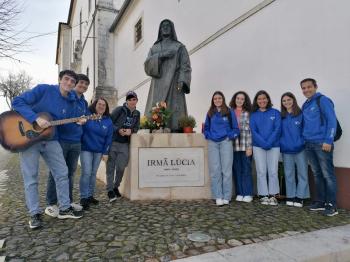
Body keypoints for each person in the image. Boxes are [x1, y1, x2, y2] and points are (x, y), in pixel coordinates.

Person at [12, 70, 83, 229]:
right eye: (66, 79)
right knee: (31, 177)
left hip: (52, 140)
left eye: (73, 81)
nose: (69, 83)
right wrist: (35, 118)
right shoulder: (43, 89)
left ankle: (64, 208)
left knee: (62, 172)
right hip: (29, 139)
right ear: (60, 79)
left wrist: (78, 121)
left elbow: (68, 121)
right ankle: (34, 213)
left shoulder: (70, 102)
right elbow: (17, 101)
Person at [45, 73, 89, 217]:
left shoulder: (84, 102)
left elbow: (84, 118)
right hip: (62, 140)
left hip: (76, 141)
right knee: (56, 173)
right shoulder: (67, 97)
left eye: (86, 84)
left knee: (70, 173)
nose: (83, 86)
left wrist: (84, 121)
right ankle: (51, 203)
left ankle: (67, 201)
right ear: (75, 84)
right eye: (81, 83)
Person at [144, 19, 191, 132]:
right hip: (157, 85)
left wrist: (182, 80)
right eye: (163, 26)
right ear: (160, 30)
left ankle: (175, 128)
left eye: (168, 26)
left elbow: (185, 65)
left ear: (172, 29)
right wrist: (162, 55)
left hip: (174, 83)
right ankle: (155, 127)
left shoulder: (179, 47)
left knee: (174, 110)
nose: (165, 27)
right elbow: (147, 65)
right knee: (156, 110)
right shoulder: (154, 48)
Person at [300, 78, 338, 216]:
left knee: (328, 175)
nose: (306, 90)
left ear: (315, 87)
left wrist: (329, 139)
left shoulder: (322, 100)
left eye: (309, 87)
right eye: (303, 88)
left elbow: (331, 120)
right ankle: (320, 202)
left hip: (322, 143)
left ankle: (332, 205)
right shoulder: (306, 104)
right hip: (309, 144)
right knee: (317, 174)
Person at [204, 91, 240, 206]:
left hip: (226, 142)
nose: (217, 100)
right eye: (215, 99)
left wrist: (230, 136)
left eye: (219, 98)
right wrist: (209, 136)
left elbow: (236, 129)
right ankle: (217, 196)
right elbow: (206, 129)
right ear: (213, 101)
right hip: (213, 143)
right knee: (215, 171)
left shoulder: (229, 112)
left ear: (223, 99)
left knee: (226, 170)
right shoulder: (210, 113)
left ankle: (226, 196)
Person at [106, 91, 140, 202]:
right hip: (114, 141)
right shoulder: (119, 109)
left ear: (136, 100)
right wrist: (118, 130)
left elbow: (136, 127)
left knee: (121, 167)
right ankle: (110, 190)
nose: (132, 101)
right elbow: (109, 122)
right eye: (130, 99)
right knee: (110, 167)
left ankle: (116, 186)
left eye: (134, 99)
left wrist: (131, 131)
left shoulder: (137, 113)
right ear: (126, 101)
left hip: (125, 144)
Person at [80, 97, 113, 210]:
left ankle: (90, 196)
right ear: (95, 105)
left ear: (106, 108)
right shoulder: (88, 115)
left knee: (93, 173)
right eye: (99, 104)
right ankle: (83, 198)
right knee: (87, 173)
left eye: (104, 105)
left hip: (99, 151)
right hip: (86, 149)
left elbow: (108, 138)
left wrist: (106, 152)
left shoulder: (108, 121)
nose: (101, 106)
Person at [250, 90, 281, 206]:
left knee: (273, 171)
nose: (262, 101)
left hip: (274, 146)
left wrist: (269, 142)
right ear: (256, 101)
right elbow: (254, 131)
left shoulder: (275, 113)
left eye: (264, 98)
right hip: (258, 146)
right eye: (259, 99)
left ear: (268, 99)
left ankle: (273, 195)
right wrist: (263, 143)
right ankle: (263, 195)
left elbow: (277, 129)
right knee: (261, 171)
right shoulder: (253, 115)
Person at [280, 92, 309, 207]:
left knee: (302, 173)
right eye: (284, 101)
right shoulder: (281, 116)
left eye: (289, 99)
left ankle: (300, 197)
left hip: (300, 149)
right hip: (286, 150)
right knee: (289, 173)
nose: (287, 102)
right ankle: (291, 195)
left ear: (293, 100)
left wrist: (302, 142)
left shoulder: (301, 114)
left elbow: (305, 131)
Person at [229, 91, 254, 203]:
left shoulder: (249, 113)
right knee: (236, 170)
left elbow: (251, 131)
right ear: (235, 99)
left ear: (245, 101)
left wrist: (250, 147)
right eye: (238, 98)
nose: (239, 100)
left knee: (246, 169)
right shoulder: (230, 112)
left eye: (242, 99)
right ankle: (239, 193)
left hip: (245, 146)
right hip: (233, 146)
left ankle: (247, 193)